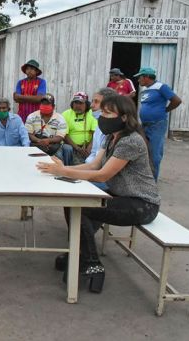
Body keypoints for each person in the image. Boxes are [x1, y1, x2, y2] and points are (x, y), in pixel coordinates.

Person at [37, 94, 160, 294]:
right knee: (74, 202)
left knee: (83, 208)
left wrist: (64, 171)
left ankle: (91, 264)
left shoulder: (131, 141)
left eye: (107, 112)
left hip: (142, 204)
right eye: (101, 112)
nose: (101, 116)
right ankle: (79, 253)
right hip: (121, 195)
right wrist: (64, 168)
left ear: (124, 117)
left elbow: (103, 175)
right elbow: (94, 164)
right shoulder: (112, 137)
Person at [134, 67, 182, 181]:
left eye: (139, 77)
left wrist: (165, 110)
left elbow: (177, 100)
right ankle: (144, 177)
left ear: (146, 77)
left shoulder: (161, 87)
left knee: (155, 153)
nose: (138, 80)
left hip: (157, 125)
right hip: (145, 124)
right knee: (143, 151)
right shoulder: (146, 90)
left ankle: (152, 181)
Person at [25, 93, 69, 161]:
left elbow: (60, 137)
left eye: (47, 104)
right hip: (36, 144)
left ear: (53, 106)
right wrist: (39, 141)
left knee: (58, 158)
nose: (44, 106)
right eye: (43, 104)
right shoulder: (32, 116)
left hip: (54, 146)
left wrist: (48, 141)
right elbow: (29, 134)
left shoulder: (60, 118)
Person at [62, 92, 97, 165]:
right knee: (67, 149)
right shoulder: (66, 114)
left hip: (88, 147)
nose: (77, 106)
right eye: (75, 103)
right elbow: (65, 135)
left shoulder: (91, 114)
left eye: (81, 103)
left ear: (87, 105)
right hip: (72, 146)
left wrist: (89, 148)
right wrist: (77, 148)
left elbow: (95, 134)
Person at [86, 88, 118, 164]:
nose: (91, 105)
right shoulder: (99, 126)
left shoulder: (115, 129)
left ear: (109, 105)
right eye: (92, 101)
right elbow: (94, 153)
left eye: (96, 102)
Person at [14, 59, 47, 124]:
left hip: (36, 115)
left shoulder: (41, 82)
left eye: (32, 69)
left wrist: (21, 97)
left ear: (36, 71)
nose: (29, 71)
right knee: (21, 133)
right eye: (27, 69)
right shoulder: (20, 82)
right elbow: (16, 98)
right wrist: (33, 98)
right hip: (22, 115)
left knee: (34, 133)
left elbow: (39, 99)